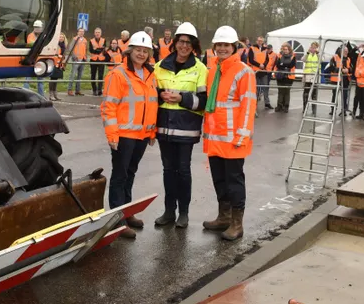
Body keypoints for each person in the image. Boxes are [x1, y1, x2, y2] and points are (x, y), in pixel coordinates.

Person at [101, 31, 159, 239]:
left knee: (130, 173)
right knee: (119, 175)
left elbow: (151, 106)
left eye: (145, 51)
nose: (141, 54)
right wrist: (112, 135)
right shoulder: (118, 74)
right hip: (123, 136)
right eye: (138, 50)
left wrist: (152, 131)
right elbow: (109, 107)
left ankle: (127, 211)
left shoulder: (151, 75)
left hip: (142, 135)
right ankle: (117, 220)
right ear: (130, 51)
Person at [202, 25, 257, 241]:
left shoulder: (244, 71)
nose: (222, 48)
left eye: (226, 45)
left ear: (234, 47)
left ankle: (236, 224)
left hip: (233, 140)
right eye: (219, 45)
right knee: (219, 180)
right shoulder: (213, 70)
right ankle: (223, 217)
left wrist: (242, 135)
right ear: (214, 47)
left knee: (234, 182)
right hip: (215, 139)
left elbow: (248, 105)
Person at [152, 22, 208, 228]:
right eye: (181, 42)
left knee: (183, 170)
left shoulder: (201, 69)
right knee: (168, 170)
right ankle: (169, 211)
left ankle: (183, 213)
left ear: (194, 46)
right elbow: (150, 96)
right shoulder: (159, 67)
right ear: (175, 43)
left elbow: (203, 101)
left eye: (188, 42)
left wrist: (182, 98)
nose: (184, 46)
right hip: (164, 128)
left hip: (186, 129)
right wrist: (160, 95)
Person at [326, 46, 352, 117]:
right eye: (345, 51)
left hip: (345, 80)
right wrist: (341, 70)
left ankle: (343, 111)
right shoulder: (334, 57)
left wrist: (348, 70)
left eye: (347, 51)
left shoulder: (348, 59)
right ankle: (333, 110)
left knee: (345, 96)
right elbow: (331, 68)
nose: (346, 52)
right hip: (336, 80)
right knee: (334, 95)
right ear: (341, 51)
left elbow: (352, 68)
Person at [23, 20, 46, 97]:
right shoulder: (30, 36)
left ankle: (41, 95)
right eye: (36, 27)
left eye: (38, 28)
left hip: (40, 59)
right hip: (31, 59)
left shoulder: (43, 36)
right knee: (27, 78)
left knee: (40, 79)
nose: (37, 29)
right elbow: (31, 44)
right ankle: (26, 94)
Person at [248, 36, 271, 111]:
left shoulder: (265, 49)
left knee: (266, 87)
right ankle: (255, 103)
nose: (260, 42)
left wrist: (264, 65)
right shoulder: (252, 48)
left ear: (263, 41)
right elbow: (251, 60)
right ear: (256, 41)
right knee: (256, 88)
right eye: (259, 41)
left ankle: (267, 103)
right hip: (255, 71)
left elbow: (267, 59)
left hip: (263, 71)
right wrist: (259, 65)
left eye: (261, 41)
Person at [274, 43, 296, 113]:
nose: (285, 51)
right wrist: (285, 66)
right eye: (284, 49)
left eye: (286, 49)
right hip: (280, 76)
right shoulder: (279, 56)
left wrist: (283, 65)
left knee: (286, 92)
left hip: (289, 76)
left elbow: (291, 65)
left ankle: (286, 106)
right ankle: (279, 105)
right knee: (280, 91)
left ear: (289, 50)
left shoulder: (293, 56)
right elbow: (278, 65)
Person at [66, 28, 87, 96]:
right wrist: (74, 56)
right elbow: (70, 48)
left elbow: (85, 49)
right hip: (76, 59)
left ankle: (77, 90)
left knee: (80, 76)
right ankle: (69, 89)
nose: (81, 33)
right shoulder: (75, 39)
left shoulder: (85, 40)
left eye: (83, 32)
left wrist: (85, 57)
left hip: (83, 59)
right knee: (73, 74)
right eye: (80, 31)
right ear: (77, 32)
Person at [301, 42, 320, 115]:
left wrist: (318, 53)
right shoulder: (307, 54)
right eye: (312, 47)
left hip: (314, 77)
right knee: (306, 93)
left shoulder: (318, 55)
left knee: (314, 94)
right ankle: (304, 108)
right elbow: (303, 59)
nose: (313, 49)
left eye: (314, 47)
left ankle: (314, 109)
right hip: (308, 76)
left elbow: (322, 60)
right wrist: (308, 53)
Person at [89, 27, 107, 96]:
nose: (97, 34)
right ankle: (94, 90)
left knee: (100, 76)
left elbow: (103, 49)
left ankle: (99, 90)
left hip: (101, 60)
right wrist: (98, 50)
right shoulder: (91, 40)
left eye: (98, 32)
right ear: (94, 33)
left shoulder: (104, 40)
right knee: (93, 75)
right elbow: (91, 50)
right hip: (93, 60)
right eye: (96, 32)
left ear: (101, 33)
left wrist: (96, 49)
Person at [49, 32, 67, 100]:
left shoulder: (64, 46)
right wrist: (59, 56)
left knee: (56, 79)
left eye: (62, 37)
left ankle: (55, 94)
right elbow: (54, 54)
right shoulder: (55, 45)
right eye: (60, 37)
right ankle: (51, 95)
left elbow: (64, 55)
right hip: (55, 64)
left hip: (60, 64)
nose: (61, 38)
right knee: (52, 79)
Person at [263, 44, 277, 110]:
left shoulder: (274, 55)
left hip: (268, 73)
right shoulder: (264, 53)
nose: (268, 50)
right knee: (259, 88)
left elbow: (275, 64)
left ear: (271, 49)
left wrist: (272, 72)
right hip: (262, 71)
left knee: (266, 88)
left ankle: (267, 103)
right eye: (267, 49)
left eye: (269, 49)